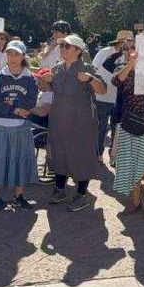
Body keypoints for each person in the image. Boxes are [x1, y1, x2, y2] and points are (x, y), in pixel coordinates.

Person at [37, 34, 107, 212]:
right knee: (59, 152)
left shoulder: (87, 68)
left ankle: (81, 194)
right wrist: (45, 83)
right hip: (59, 120)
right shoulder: (58, 69)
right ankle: (60, 189)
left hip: (81, 122)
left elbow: (103, 90)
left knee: (81, 155)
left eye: (66, 47)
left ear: (78, 50)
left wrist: (90, 79)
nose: (62, 49)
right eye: (61, 46)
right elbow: (51, 89)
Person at [0, 40, 40, 210]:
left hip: (21, 126)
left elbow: (31, 101)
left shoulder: (30, 78)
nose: (12, 57)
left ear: (23, 56)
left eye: (16, 54)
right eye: (9, 53)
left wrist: (19, 108)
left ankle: (19, 195)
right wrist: (15, 109)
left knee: (20, 160)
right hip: (1, 125)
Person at [112, 38, 144, 220]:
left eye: (133, 48)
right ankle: (134, 201)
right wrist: (131, 64)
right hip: (128, 122)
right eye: (126, 49)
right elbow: (116, 81)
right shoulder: (122, 69)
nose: (129, 51)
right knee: (129, 162)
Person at [92, 30, 129, 159]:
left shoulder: (131, 55)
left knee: (117, 130)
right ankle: (98, 154)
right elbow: (93, 71)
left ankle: (114, 156)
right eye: (126, 41)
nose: (128, 44)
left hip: (119, 99)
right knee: (100, 128)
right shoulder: (104, 52)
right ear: (119, 42)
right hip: (101, 97)